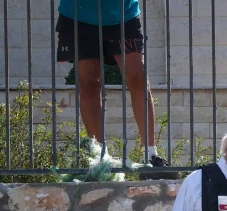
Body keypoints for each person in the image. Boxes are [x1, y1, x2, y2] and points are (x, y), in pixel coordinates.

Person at [56, 0, 174, 177]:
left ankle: (150, 156)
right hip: (77, 16)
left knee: (138, 77)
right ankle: (100, 159)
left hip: (123, 15)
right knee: (89, 84)